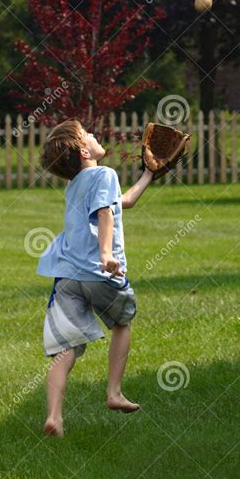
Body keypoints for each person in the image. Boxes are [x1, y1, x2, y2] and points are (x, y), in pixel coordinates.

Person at [37, 119, 153, 436]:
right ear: (85, 150)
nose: (94, 135)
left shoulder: (74, 185)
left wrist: (148, 175)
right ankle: (114, 392)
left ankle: (54, 416)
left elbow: (122, 202)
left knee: (65, 349)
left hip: (67, 277)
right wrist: (105, 255)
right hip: (100, 272)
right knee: (122, 323)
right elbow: (105, 211)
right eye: (88, 134)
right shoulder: (105, 174)